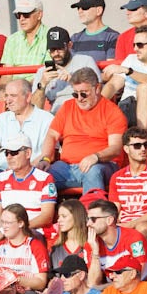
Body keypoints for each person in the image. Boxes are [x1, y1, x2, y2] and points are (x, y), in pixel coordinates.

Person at [38, 68, 126, 198]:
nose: (79, 99)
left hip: (102, 164)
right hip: (66, 166)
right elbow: (52, 135)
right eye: (75, 94)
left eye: (84, 94)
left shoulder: (112, 111)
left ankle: (94, 214)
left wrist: (96, 157)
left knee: (93, 171)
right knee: (40, 176)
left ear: (97, 89)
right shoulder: (68, 107)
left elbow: (116, 148)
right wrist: (45, 158)